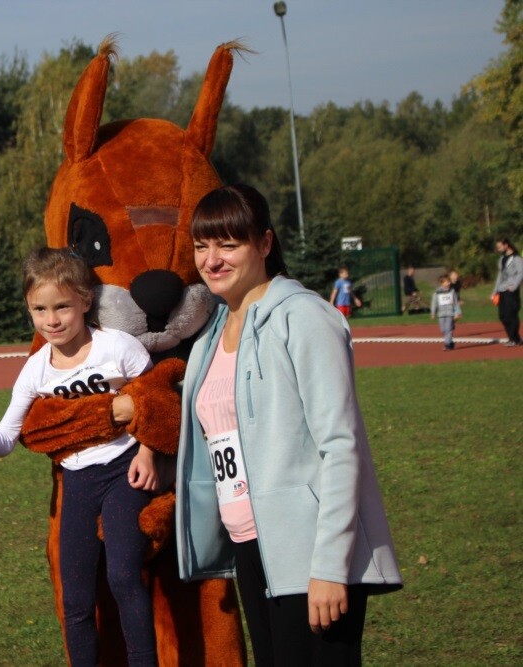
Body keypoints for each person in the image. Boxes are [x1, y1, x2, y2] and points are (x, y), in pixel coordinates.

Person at [111, 184, 402, 665]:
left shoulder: (305, 318)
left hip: (309, 550)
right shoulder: (214, 331)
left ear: (265, 244)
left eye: (229, 244)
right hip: (250, 543)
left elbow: (341, 447)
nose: (212, 260)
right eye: (202, 246)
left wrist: (329, 567)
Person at [0, 247, 160, 667]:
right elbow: (4, 440)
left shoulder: (118, 347)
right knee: (75, 599)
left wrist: (147, 452)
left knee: (125, 578)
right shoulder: (36, 369)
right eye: (39, 309)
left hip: (125, 473)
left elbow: (155, 402)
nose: (51, 319)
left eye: (62, 307)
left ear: (85, 301)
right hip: (77, 482)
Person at [492, 238, 522, 347]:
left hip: (511, 291)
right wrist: (495, 291)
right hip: (502, 290)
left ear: (506, 245)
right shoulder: (501, 259)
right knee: (503, 315)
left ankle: (514, 339)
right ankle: (514, 338)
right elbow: (499, 276)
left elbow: (520, 273)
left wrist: (514, 286)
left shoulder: (516, 258)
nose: (498, 248)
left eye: (500, 246)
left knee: (511, 315)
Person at [431, 274, 462, 351]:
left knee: (448, 329)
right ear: (442, 283)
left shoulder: (452, 291)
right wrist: (433, 312)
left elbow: (455, 303)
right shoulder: (437, 292)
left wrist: (458, 312)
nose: (449, 283)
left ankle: (447, 344)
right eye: (447, 282)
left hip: (450, 313)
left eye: (449, 282)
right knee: (443, 330)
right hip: (441, 314)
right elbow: (434, 303)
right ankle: (451, 342)